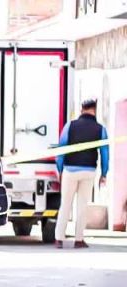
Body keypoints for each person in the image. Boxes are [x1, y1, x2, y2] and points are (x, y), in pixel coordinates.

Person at [54, 98, 109, 248]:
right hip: (89, 171)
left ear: (81, 109)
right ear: (94, 110)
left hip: (70, 170)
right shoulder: (101, 129)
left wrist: (59, 169)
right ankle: (79, 239)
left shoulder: (70, 126)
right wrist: (104, 174)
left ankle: (59, 239)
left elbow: (61, 149)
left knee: (65, 204)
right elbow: (105, 153)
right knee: (82, 205)